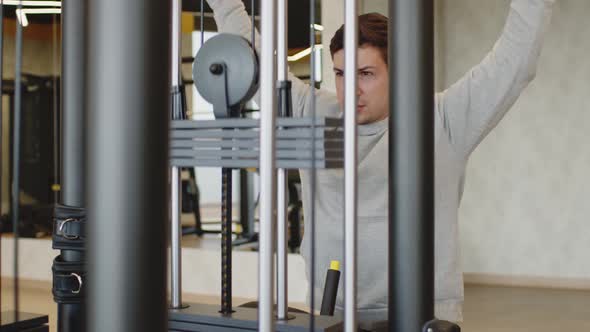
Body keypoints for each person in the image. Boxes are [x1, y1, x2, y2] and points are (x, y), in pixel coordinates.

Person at [206, 0, 555, 330]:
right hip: (331, 310)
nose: (350, 89)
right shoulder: (313, 114)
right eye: (341, 74)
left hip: (421, 312)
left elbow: (515, 61)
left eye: (366, 74)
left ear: (398, 71)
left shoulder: (442, 119)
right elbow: (251, 61)